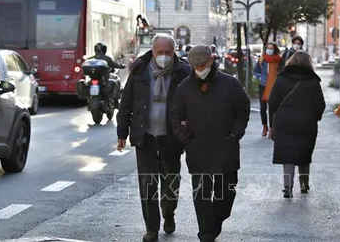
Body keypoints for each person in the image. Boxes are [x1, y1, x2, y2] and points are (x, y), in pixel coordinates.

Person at [170, 44, 250, 242]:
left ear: (212, 60)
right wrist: (185, 139)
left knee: (226, 193)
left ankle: (216, 220)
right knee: (202, 195)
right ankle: (206, 233)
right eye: (195, 66)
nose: (199, 69)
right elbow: (175, 115)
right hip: (197, 147)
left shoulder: (230, 84)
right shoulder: (185, 87)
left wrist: (235, 134)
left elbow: (243, 109)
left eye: (203, 64)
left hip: (225, 146)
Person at [116, 33, 191, 242]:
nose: (164, 56)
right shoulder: (140, 70)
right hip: (145, 136)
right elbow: (126, 102)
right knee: (147, 185)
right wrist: (122, 132)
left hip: (171, 137)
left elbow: (191, 104)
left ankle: (169, 213)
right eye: (160, 52)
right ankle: (152, 229)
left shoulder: (183, 72)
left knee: (171, 183)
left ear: (174, 52)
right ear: (153, 51)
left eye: (168, 52)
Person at [268, 51, 325, 198]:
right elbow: (320, 105)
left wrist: (271, 124)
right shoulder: (313, 81)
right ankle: (304, 185)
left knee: (288, 154)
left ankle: (287, 187)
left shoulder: (281, 79)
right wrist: (315, 117)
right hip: (307, 122)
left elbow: (272, 102)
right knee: (304, 153)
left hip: (285, 121)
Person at [253, 42, 281, 137]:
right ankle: (264, 126)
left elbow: (281, 71)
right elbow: (256, 71)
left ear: (275, 49)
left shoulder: (278, 60)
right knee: (263, 108)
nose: (269, 50)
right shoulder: (262, 59)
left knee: (272, 108)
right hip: (263, 86)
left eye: (271, 48)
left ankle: (272, 128)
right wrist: (260, 77)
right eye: (268, 48)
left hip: (274, 86)